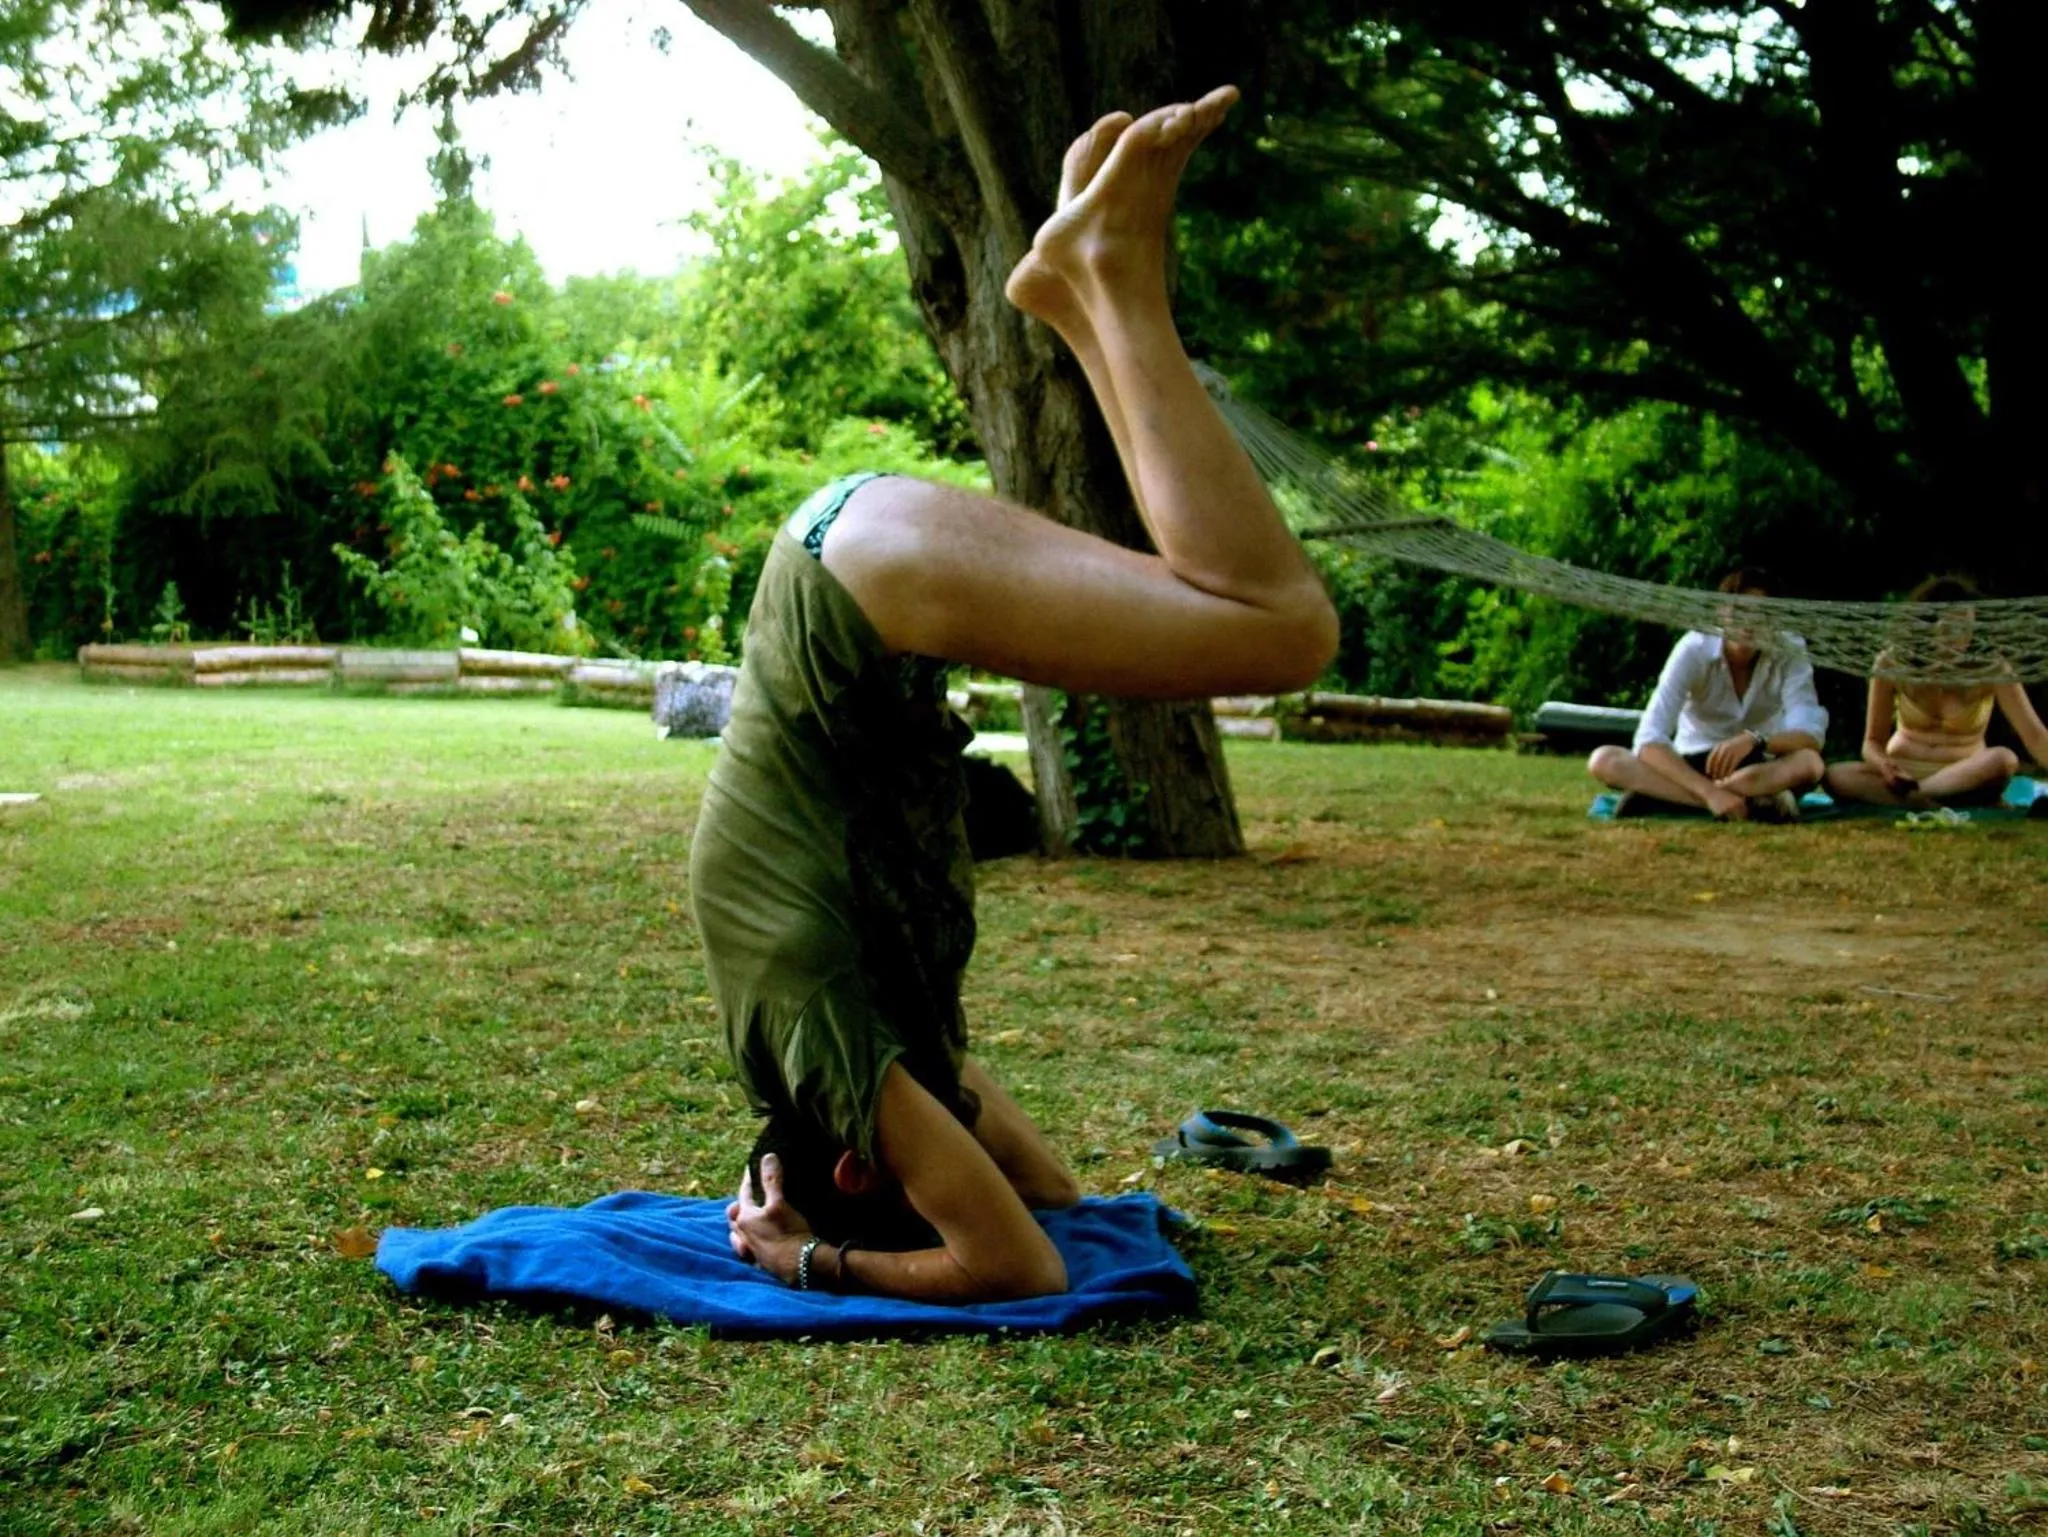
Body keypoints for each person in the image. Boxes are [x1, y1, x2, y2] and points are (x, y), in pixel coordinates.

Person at [693, 86, 1338, 1304]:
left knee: (1281, 624)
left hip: (865, 592)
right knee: (1250, 610)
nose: (954, 1159)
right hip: (852, 568)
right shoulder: (860, 1049)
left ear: (861, 1161)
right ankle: (1083, 299)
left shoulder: (828, 1044)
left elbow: (1017, 1258)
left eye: (919, 1177)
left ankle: (1108, 285)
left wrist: (812, 1258)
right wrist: (904, 1166)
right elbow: (1048, 1193)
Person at [1586, 570, 1828, 821]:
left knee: (1810, 764)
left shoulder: (1789, 648)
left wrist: (1756, 740)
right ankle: (1735, 802)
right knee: (1605, 759)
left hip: (1758, 767)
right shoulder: (1694, 648)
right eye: (1740, 612)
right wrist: (1710, 794)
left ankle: (1667, 798)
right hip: (1694, 764)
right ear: (1722, 612)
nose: (1749, 624)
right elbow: (1649, 740)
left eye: (1762, 615)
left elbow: (1810, 736)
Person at [1822, 575, 2048, 809]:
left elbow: (2035, 735)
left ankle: (1918, 798)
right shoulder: (1893, 663)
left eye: (1966, 627)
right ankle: (1930, 801)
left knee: (2003, 759)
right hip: (1903, 773)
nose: (1960, 637)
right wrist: (1885, 767)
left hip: (1966, 774)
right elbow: (1872, 742)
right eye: (1950, 627)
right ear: (1927, 627)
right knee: (1835, 775)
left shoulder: (1991, 668)